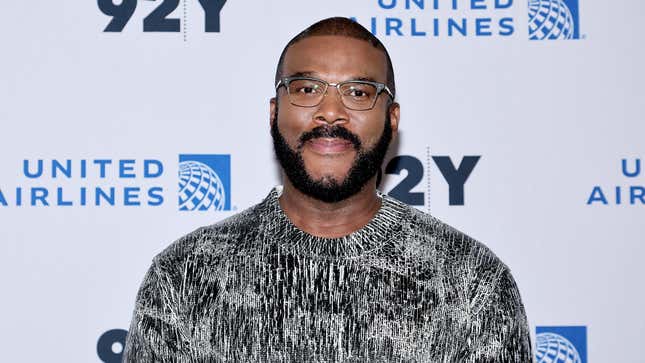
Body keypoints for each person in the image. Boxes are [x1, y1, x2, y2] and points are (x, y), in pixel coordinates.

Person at [123, 17, 532, 362]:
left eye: (358, 92)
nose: (331, 112)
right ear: (273, 113)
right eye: (306, 88)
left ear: (392, 120)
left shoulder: (471, 281)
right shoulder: (183, 277)